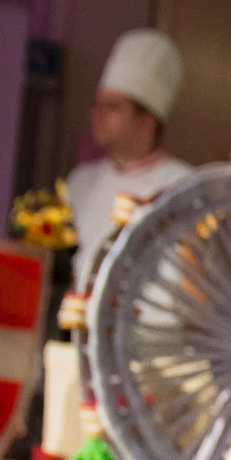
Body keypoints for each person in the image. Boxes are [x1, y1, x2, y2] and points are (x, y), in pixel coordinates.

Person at [66, 31, 192, 284]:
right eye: (98, 103)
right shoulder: (79, 182)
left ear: (147, 121)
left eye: (112, 106)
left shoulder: (184, 187)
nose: (98, 114)